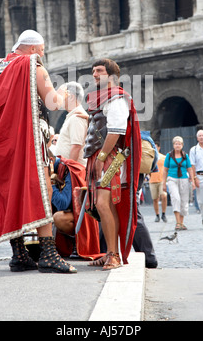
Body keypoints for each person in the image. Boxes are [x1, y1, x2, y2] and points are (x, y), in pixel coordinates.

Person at [0, 29, 77, 273]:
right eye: (42, 49)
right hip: (26, 142)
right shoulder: (33, 66)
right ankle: (49, 254)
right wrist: (62, 94)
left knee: (10, 195)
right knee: (40, 193)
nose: (43, 54)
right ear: (32, 49)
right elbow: (52, 102)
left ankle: (19, 254)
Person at [84, 58, 141, 270]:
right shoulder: (99, 98)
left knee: (103, 204)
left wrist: (101, 158)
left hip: (112, 158)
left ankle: (113, 255)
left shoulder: (117, 97)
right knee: (103, 206)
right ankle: (110, 251)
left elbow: (116, 131)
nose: (95, 74)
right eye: (93, 71)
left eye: (99, 71)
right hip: (98, 156)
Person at [163, 136, 195, 231]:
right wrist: (163, 183)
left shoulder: (185, 156)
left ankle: (181, 222)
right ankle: (177, 222)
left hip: (184, 179)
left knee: (184, 201)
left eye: (179, 144)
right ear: (173, 145)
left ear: (182, 145)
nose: (178, 145)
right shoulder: (169, 156)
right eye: (176, 143)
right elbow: (165, 170)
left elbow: (190, 169)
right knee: (176, 198)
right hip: (172, 179)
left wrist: (192, 181)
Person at [55, 82, 88, 166]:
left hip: (71, 173)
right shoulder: (73, 116)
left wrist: (69, 170)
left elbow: (76, 147)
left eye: (60, 95)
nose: (58, 99)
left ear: (71, 97)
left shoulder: (76, 117)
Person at [149, 142, 167, 223]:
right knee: (155, 199)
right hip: (152, 180)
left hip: (161, 180)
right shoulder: (150, 157)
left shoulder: (164, 157)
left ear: (159, 148)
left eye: (156, 147)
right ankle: (157, 215)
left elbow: (167, 169)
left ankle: (163, 214)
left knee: (164, 196)